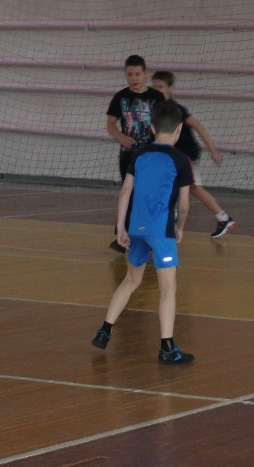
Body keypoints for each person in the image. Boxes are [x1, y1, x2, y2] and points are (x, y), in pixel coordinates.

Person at [92, 100, 195, 364]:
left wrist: (121, 227)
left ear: (151, 128)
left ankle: (105, 330)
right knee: (168, 289)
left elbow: (125, 190)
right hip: (161, 232)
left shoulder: (139, 154)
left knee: (131, 280)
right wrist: (180, 228)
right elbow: (184, 205)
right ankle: (167, 348)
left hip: (136, 228)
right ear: (179, 129)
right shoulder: (181, 161)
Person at [150, 72, 235, 237]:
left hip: (186, 155)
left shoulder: (176, 110)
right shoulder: (155, 108)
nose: (157, 90)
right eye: (154, 87)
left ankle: (222, 218)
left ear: (170, 88)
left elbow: (198, 126)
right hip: (173, 156)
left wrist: (212, 149)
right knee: (185, 185)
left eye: (160, 87)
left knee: (191, 186)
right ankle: (221, 217)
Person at [104, 55, 165, 253]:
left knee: (149, 195)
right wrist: (121, 137)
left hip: (152, 156)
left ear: (145, 74)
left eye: (138, 74)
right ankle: (122, 236)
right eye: (130, 75)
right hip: (128, 156)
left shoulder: (157, 97)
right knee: (129, 194)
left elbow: (165, 125)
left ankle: (148, 235)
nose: (134, 78)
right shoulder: (120, 97)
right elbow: (110, 124)